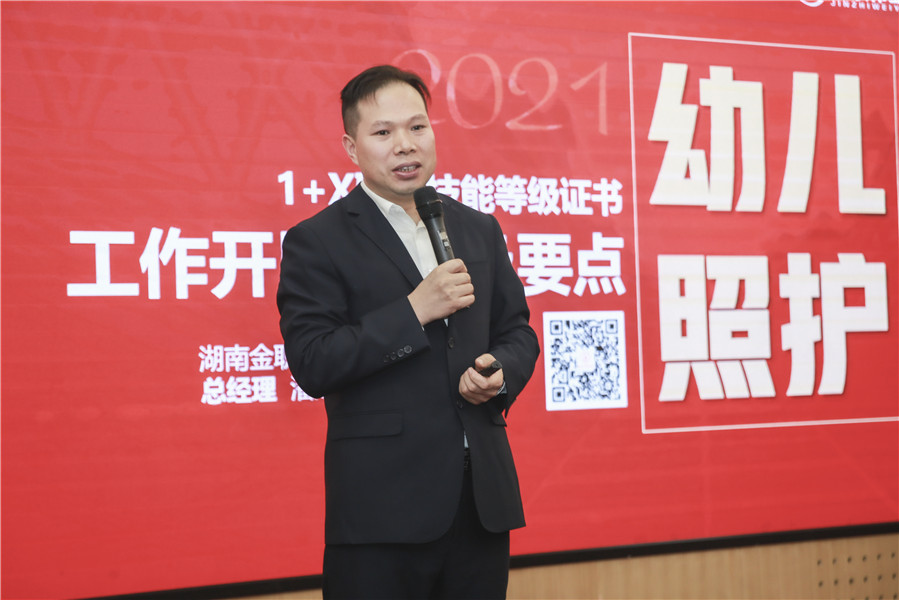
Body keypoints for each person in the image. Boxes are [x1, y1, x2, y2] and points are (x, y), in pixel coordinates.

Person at [277, 64, 540, 599]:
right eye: (383, 132)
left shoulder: (478, 228)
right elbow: (313, 361)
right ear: (351, 148)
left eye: (417, 127)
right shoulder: (317, 240)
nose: (405, 145)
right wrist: (414, 310)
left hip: (480, 502)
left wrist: (499, 373)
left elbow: (517, 332)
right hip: (381, 510)